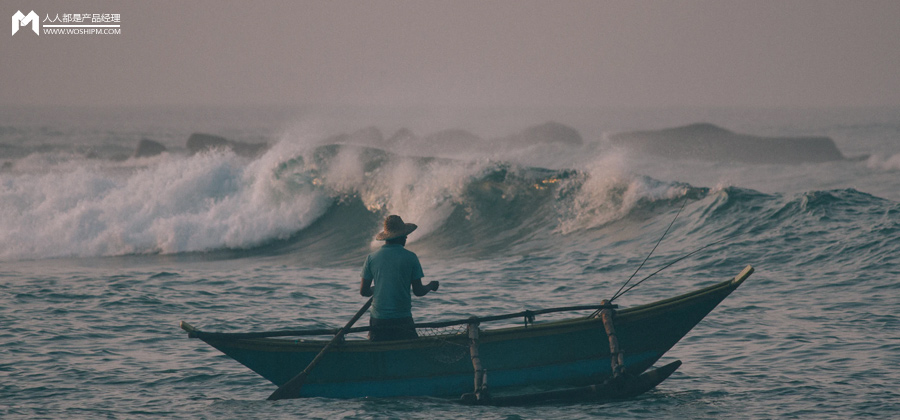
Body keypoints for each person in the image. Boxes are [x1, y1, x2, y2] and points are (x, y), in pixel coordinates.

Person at [360, 215, 439, 341]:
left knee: (378, 353)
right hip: (402, 319)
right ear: (401, 236)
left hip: (378, 320)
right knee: (410, 352)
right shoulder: (411, 257)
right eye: (405, 235)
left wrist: (376, 289)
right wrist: (431, 286)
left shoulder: (371, 258)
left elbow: (364, 291)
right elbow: (418, 291)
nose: (406, 237)